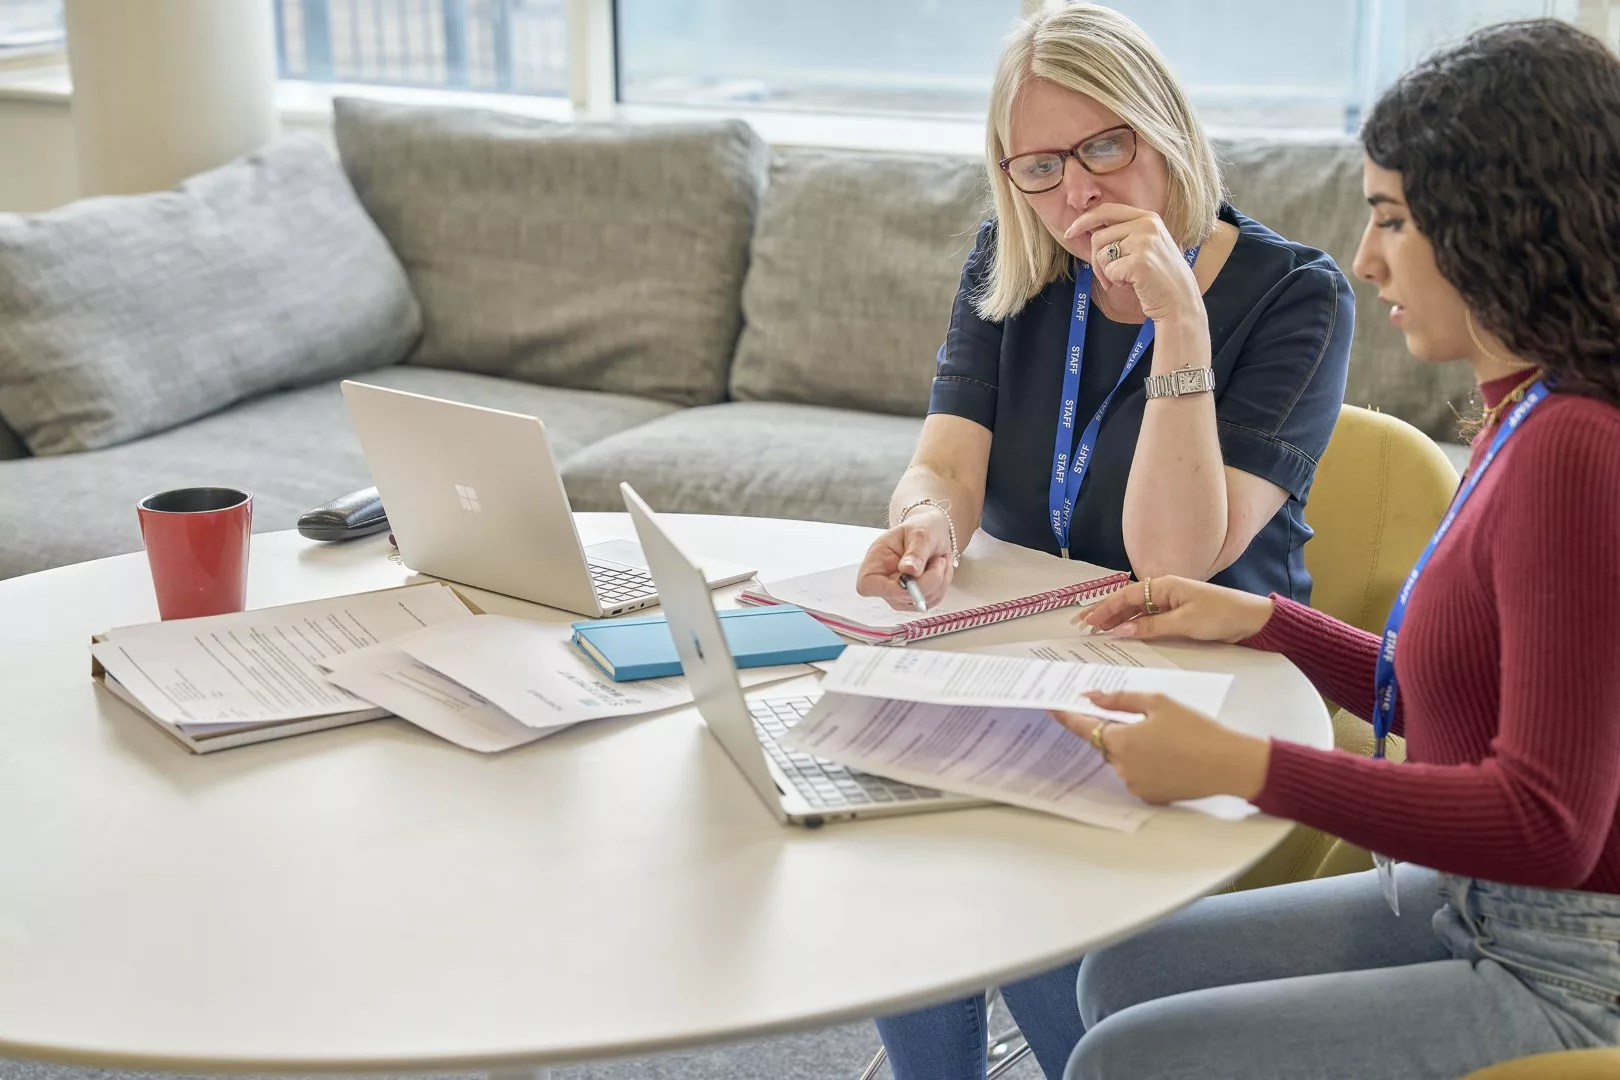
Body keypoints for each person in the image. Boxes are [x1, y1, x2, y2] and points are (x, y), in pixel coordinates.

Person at [1045, 18, 1620, 1079]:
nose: (1365, 259)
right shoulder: (1525, 413)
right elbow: (1464, 698)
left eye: (1394, 220)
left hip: (1571, 962)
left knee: (1123, 1057)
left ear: (1498, 222)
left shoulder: (1576, 450)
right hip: (1471, 896)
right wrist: (1269, 621)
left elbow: (1547, 822)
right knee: (1117, 976)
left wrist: (1243, 767)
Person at [861, 4, 1353, 1077]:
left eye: (1102, 147)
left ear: (1164, 127)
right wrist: (923, 523)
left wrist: (1180, 321)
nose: (1076, 194)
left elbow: (1175, 561)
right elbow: (947, 463)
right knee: (888, 819)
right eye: (1038, 166)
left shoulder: (1297, 296)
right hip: (1032, 655)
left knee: (1021, 884)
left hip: (1204, 676)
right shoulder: (1018, 255)